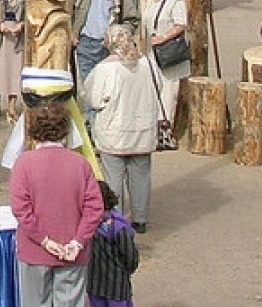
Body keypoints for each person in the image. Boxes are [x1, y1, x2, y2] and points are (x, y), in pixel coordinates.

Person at [9, 101, 104, 307]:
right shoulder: (81, 164)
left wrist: (44, 241)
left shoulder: (23, 164)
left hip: (35, 252)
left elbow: (21, 210)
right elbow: (94, 208)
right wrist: (78, 241)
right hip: (73, 252)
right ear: (66, 129)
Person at [82, 24, 159, 236]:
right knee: (141, 175)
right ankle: (141, 219)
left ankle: (116, 218)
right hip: (143, 129)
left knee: (113, 175)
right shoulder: (148, 64)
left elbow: (93, 99)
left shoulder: (105, 69)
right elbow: (158, 88)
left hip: (114, 132)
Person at [72, 0, 140, 86]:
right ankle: (91, 107)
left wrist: (118, 35)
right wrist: (72, 33)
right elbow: (66, 14)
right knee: (89, 86)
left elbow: (132, 20)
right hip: (85, 44)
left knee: (107, 86)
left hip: (108, 47)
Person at [142, 0, 189, 122]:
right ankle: (153, 125)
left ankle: (166, 128)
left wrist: (163, 38)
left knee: (169, 92)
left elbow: (181, 24)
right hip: (152, 51)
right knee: (154, 88)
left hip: (169, 52)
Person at [87, 181, 140, 307]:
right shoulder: (89, 225)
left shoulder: (118, 227)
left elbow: (131, 257)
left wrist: (126, 272)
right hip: (97, 285)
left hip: (116, 287)